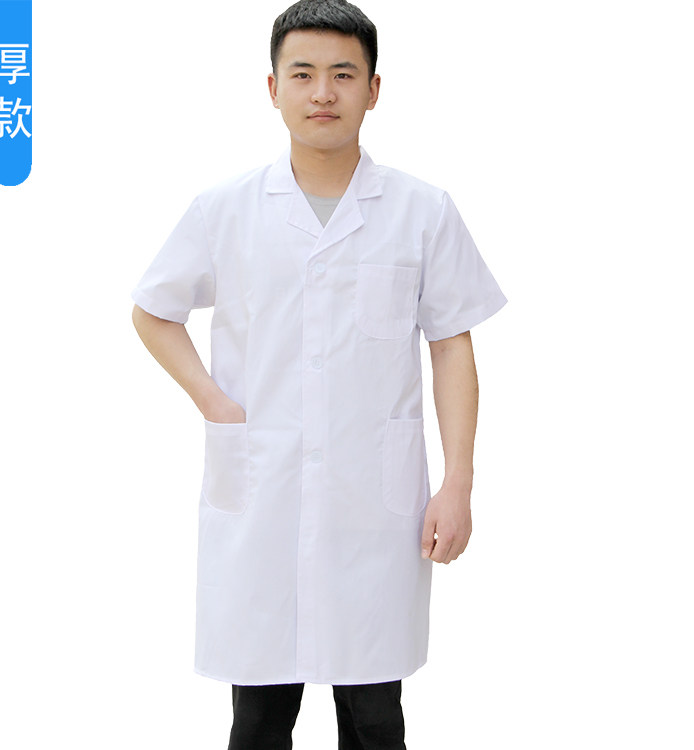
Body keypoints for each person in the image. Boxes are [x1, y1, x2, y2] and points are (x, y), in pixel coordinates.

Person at [131, 0, 507, 747]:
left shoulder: (422, 210)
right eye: (302, 74)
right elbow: (153, 310)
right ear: (272, 88)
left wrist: (457, 482)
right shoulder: (225, 209)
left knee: (374, 713)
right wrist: (214, 402)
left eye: (343, 73)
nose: (323, 93)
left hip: (374, 503)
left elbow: (451, 345)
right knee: (259, 714)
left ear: (374, 89)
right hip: (262, 491)